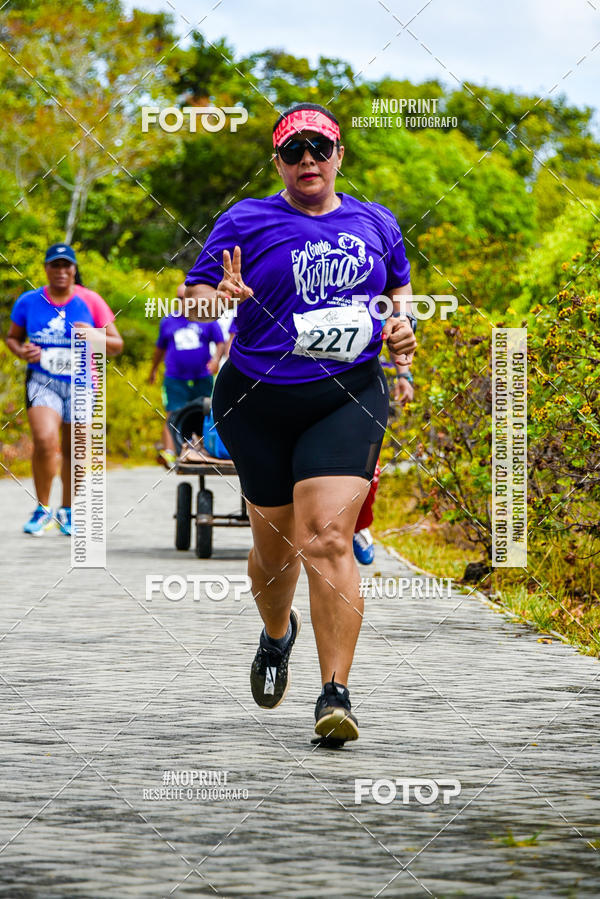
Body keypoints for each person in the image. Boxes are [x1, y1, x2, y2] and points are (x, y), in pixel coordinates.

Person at [185, 102, 416, 746]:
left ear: (339, 155)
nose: (308, 161)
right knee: (274, 546)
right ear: (279, 162)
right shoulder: (245, 219)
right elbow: (193, 294)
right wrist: (217, 298)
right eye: (294, 152)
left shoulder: (377, 223)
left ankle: (335, 694)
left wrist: (402, 327)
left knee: (327, 537)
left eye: (320, 149)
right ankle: (276, 635)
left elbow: (397, 293)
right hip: (257, 399)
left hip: (347, 394)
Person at [6, 243, 123, 535]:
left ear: (74, 269)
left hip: (83, 383)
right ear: (46, 269)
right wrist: (22, 352)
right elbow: (12, 338)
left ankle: (68, 510)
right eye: (54, 265)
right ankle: (42, 509)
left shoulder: (90, 301)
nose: (60, 271)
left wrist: (92, 336)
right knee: (45, 441)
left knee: (76, 448)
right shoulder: (29, 301)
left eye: (66, 265)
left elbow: (117, 346)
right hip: (43, 380)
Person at [148, 282, 225, 467]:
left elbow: (220, 342)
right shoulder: (169, 321)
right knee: (173, 412)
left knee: (204, 411)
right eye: (180, 298)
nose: (184, 302)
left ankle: (201, 449)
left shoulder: (207, 319)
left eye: (187, 298)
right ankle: (169, 452)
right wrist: (153, 370)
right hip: (175, 377)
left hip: (201, 376)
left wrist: (215, 360)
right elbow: (160, 349)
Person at [353, 360, 414, 564]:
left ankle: (358, 525)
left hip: (365, 382)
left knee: (368, 472)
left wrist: (404, 376)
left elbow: (400, 329)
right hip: (304, 378)